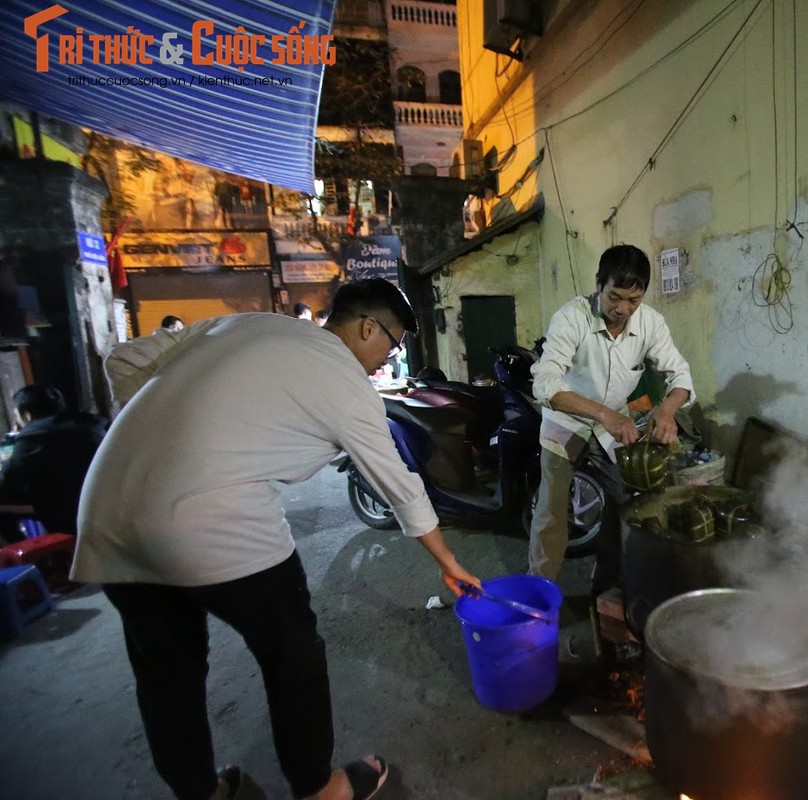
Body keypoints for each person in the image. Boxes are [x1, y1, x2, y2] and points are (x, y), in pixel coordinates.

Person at [72, 278, 481, 800]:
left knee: (166, 672)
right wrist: (446, 560)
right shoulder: (345, 379)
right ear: (367, 327)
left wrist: (162, 442)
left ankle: (199, 792)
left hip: (107, 509)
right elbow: (398, 482)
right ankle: (320, 787)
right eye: (393, 344)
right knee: (293, 651)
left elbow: (125, 361)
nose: (388, 357)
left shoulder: (248, 324)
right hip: (213, 519)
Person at [528, 244, 693, 594]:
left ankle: (607, 587)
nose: (622, 309)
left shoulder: (651, 323)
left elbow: (680, 375)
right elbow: (545, 384)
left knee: (625, 504)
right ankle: (539, 596)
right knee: (551, 513)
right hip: (566, 423)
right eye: (614, 297)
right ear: (598, 285)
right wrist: (605, 414)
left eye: (633, 300)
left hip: (611, 428)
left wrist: (666, 411)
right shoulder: (572, 317)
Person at [0, 384, 107, 542]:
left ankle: (37, 560)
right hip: (104, 503)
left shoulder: (35, 438)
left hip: (67, 511)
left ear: (27, 415)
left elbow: (5, 485)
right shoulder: (93, 425)